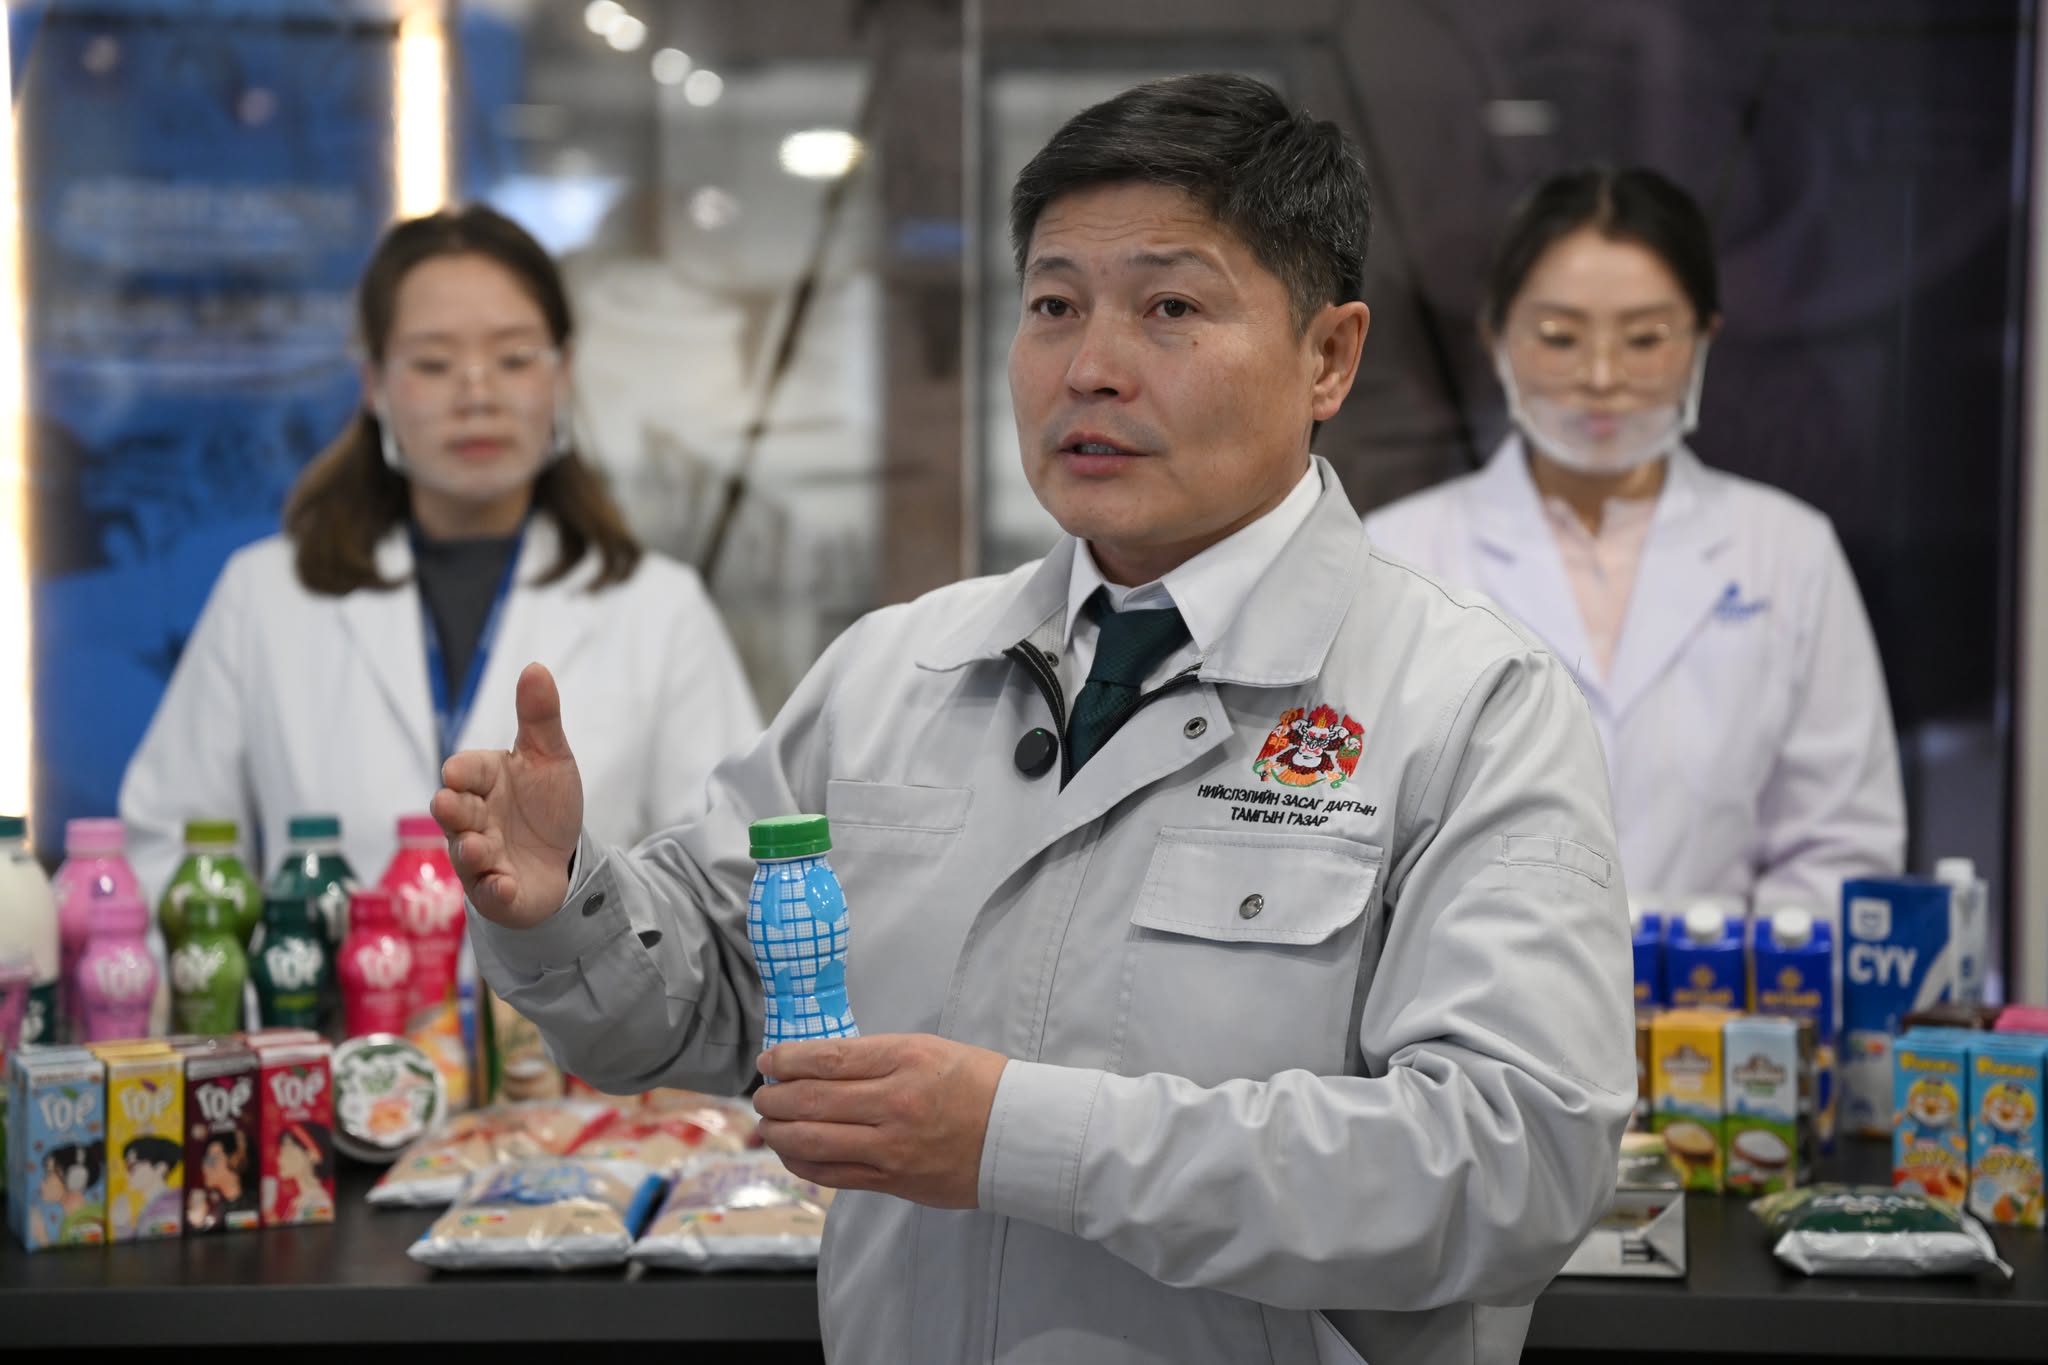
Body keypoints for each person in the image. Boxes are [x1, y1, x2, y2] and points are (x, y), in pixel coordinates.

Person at [437, 75, 1632, 1365]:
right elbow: (713, 1005)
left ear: (1327, 357)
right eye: (1054, 306)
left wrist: (1017, 1138)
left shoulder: (1465, 700)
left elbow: (1512, 1165)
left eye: (1170, 309)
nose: (1090, 368)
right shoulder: (896, 671)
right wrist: (564, 904)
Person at [119, 205, 760, 903]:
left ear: (563, 374)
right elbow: (166, 853)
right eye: (433, 363)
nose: (477, 394)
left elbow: (724, 874)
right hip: (331, 980)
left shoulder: (660, 610)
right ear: (374, 385)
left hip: (578, 981)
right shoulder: (265, 596)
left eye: (514, 358)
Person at [1365, 168, 1904, 917]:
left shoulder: (1788, 552)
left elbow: (1842, 843)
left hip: (1726, 985)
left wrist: (1738, 977)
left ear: (1703, 340)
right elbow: (1363, 829)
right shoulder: (1397, 554)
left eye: (1646, 338)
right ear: (1496, 339)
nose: (1602, 376)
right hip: (1469, 986)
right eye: (1559, 336)